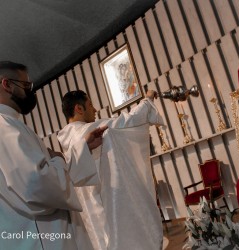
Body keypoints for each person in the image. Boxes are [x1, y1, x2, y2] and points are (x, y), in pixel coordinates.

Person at [0, 61, 108, 250]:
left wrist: (82, 149)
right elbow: (38, 185)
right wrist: (57, 159)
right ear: (7, 84)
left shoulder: (11, 123)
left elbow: (46, 174)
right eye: (26, 85)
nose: (30, 91)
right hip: (42, 238)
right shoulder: (4, 127)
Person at [57, 89, 164, 250]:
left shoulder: (68, 141)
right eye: (90, 105)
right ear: (79, 108)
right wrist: (147, 99)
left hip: (91, 215)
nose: (95, 110)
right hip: (109, 207)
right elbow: (128, 121)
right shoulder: (89, 130)